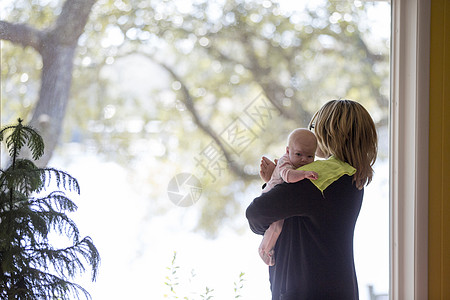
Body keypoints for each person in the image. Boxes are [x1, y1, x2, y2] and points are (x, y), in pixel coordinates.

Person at [246, 99, 378, 300]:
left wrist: (275, 182)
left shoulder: (317, 177)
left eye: (314, 127)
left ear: (329, 132)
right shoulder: (351, 177)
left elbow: (256, 214)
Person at [258, 128, 318, 266]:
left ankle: (268, 248)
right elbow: (288, 176)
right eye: (298, 154)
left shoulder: (297, 163)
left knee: (279, 227)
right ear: (287, 151)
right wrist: (304, 174)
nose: (304, 160)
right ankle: (264, 250)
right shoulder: (284, 162)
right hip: (270, 197)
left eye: (310, 156)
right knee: (276, 227)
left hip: (279, 198)